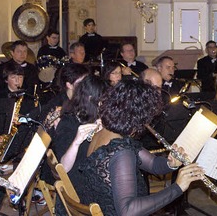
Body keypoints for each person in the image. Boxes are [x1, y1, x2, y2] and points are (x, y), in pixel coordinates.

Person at [62, 80, 204, 215]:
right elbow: (128, 211)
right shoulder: (121, 153)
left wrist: (171, 164)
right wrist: (178, 187)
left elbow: (153, 164)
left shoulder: (107, 132)